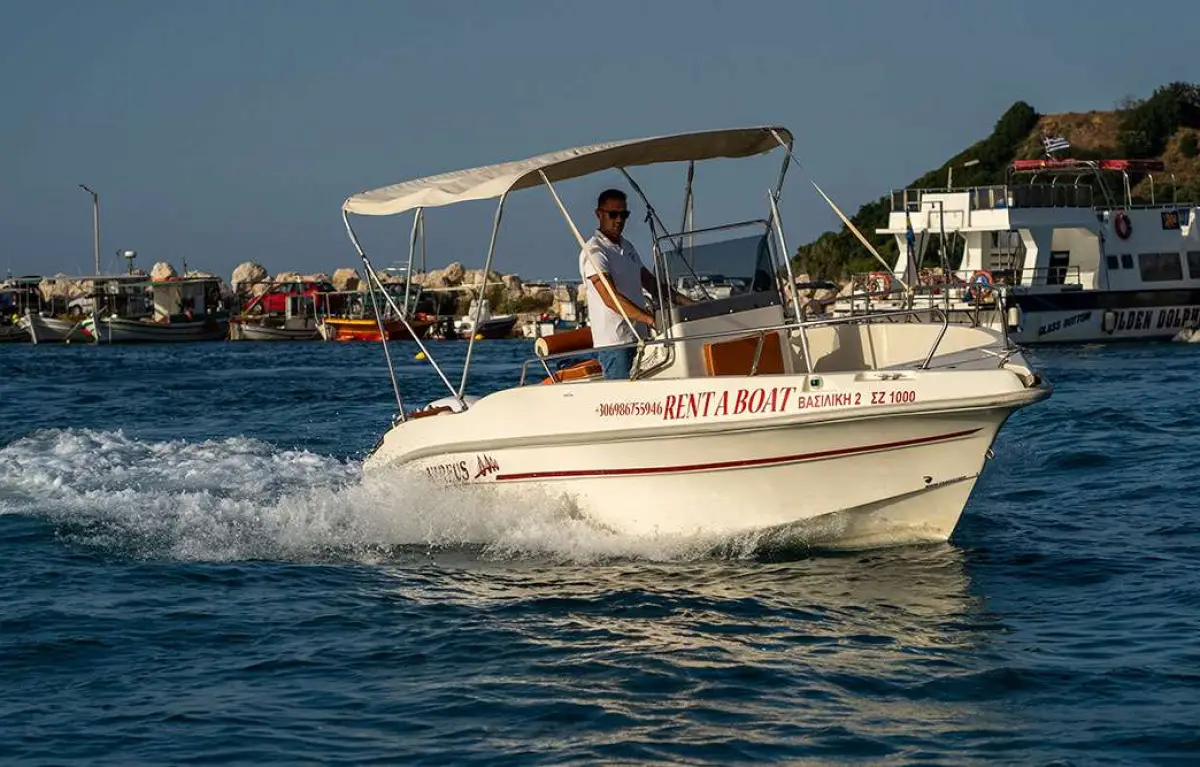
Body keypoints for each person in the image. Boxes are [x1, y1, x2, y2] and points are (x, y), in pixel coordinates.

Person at [579, 189, 670, 380]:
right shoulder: (595, 252)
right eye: (613, 214)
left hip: (640, 339)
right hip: (616, 345)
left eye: (624, 215)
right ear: (599, 214)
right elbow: (611, 298)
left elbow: (652, 284)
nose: (619, 220)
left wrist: (692, 305)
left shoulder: (627, 247)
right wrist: (649, 319)